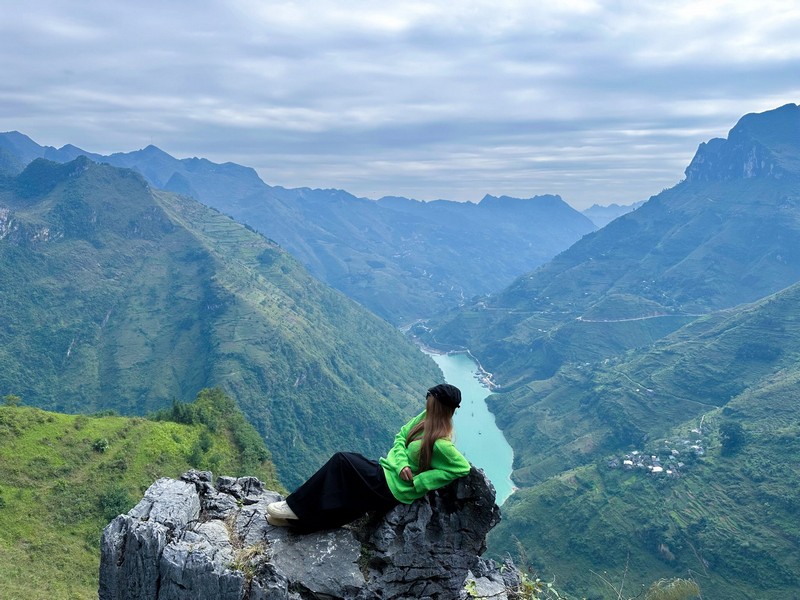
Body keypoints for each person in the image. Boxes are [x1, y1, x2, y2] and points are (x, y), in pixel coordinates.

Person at [266, 383, 471, 533]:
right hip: (388, 472)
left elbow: (461, 468)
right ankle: (301, 521)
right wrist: (402, 464)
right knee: (352, 498)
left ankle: (294, 507)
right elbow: (401, 436)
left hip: (394, 488)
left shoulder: (441, 444)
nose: (426, 401)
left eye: (430, 400)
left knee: (342, 461)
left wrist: (420, 481)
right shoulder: (425, 418)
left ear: (438, 407)